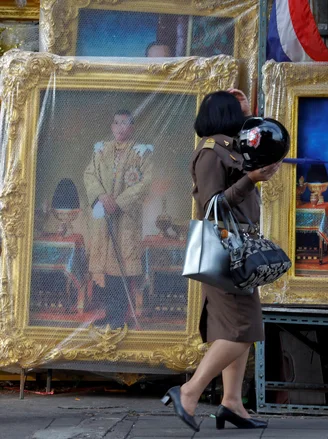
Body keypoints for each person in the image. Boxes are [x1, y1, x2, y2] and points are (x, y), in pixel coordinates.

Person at [161, 89, 281, 432]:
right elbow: (214, 204)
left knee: (239, 327)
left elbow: (252, 135)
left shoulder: (228, 147)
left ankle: (231, 403)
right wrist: (250, 180)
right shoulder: (211, 153)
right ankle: (188, 391)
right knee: (243, 329)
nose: (243, 119)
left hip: (238, 251)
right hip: (224, 250)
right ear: (226, 117)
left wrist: (245, 109)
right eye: (238, 112)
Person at [84, 110, 154, 329]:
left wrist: (119, 201)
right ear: (112, 127)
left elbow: (145, 183)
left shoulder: (141, 153)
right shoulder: (101, 150)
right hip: (103, 216)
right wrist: (102, 196)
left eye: (125, 123)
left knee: (120, 267)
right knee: (105, 268)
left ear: (132, 127)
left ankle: (119, 315)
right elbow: (89, 175)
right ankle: (109, 312)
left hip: (125, 219)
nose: (120, 127)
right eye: (116, 123)